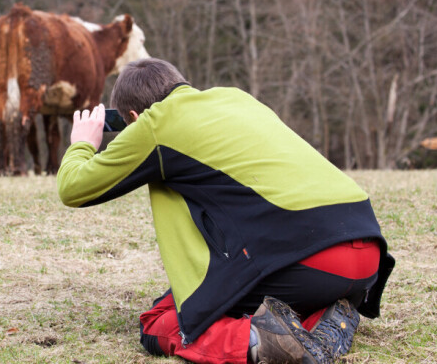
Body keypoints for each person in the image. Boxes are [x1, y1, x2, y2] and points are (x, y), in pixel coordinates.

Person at [56, 58, 394, 364]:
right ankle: (323, 317)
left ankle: (259, 340)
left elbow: (72, 187)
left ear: (133, 118)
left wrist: (83, 141)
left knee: (160, 321)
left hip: (309, 263)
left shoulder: (154, 125)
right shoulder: (237, 99)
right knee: (200, 295)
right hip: (367, 256)